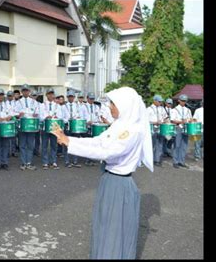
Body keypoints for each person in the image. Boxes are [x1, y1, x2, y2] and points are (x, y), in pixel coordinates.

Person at [52, 86, 153, 259]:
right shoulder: (119, 125)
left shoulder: (132, 130)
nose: (110, 108)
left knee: (114, 230)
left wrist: (70, 144)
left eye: (113, 104)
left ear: (125, 106)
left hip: (119, 184)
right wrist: (69, 140)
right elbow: (98, 142)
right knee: (105, 225)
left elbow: (107, 152)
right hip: (110, 180)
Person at [15, 84, 39, 170]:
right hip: (22, 125)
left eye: (27, 90)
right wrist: (18, 115)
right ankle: (23, 163)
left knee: (30, 145)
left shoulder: (34, 102)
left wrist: (36, 114)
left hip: (31, 125)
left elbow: (38, 112)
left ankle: (29, 162)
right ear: (21, 92)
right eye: (24, 90)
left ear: (29, 92)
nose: (25, 92)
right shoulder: (17, 102)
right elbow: (14, 113)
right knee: (22, 145)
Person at [39, 88, 65, 170]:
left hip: (55, 127)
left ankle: (53, 161)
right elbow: (40, 117)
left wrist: (56, 117)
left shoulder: (57, 105)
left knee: (54, 145)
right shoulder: (42, 105)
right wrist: (45, 117)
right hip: (45, 127)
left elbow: (61, 116)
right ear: (46, 95)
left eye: (52, 94)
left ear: (54, 95)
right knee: (44, 145)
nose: (50, 95)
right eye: (49, 94)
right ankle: (45, 162)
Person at [170, 94, 192, 169]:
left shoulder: (188, 110)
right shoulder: (174, 110)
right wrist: (181, 121)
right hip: (178, 128)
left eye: (185, 101)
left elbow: (190, 119)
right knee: (177, 145)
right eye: (182, 101)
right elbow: (172, 120)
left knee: (184, 146)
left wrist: (190, 121)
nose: (184, 102)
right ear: (179, 100)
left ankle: (181, 161)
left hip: (186, 128)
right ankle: (175, 162)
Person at [63, 91, 82, 168]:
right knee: (66, 144)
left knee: (75, 144)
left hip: (75, 126)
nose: (71, 98)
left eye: (72, 96)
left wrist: (77, 118)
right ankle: (67, 161)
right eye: (69, 96)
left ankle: (75, 161)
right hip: (67, 126)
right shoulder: (63, 106)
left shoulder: (78, 106)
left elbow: (80, 115)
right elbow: (62, 117)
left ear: (74, 97)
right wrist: (67, 120)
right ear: (67, 97)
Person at [147, 95, 166, 167]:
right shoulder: (149, 109)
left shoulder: (162, 109)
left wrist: (165, 121)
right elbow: (146, 120)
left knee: (160, 144)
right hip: (152, 128)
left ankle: (157, 160)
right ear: (154, 101)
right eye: (159, 101)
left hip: (160, 128)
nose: (160, 103)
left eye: (161, 101)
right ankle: (149, 160)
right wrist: (155, 122)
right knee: (152, 145)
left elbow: (165, 117)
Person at [84, 92, 101, 166]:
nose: (92, 100)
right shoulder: (83, 107)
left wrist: (98, 121)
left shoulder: (96, 107)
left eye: (93, 99)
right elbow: (81, 116)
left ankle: (92, 159)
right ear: (87, 98)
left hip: (94, 126)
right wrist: (87, 121)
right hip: (87, 126)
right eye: (90, 99)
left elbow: (98, 116)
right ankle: (87, 159)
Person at [5, 90, 17, 157]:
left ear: (13, 96)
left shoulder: (16, 103)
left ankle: (13, 151)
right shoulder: (4, 103)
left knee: (13, 137)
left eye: (11, 96)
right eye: (9, 96)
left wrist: (12, 116)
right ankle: (7, 152)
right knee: (7, 136)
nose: (10, 97)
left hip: (13, 120)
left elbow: (16, 111)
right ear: (7, 96)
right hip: (6, 121)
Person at [31, 91, 41, 157]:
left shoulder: (40, 104)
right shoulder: (29, 103)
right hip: (30, 123)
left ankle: (36, 150)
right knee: (31, 138)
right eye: (33, 95)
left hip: (37, 122)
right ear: (30, 96)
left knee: (37, 138)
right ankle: (31, 151)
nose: (34, 96)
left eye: (35, 95)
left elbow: (41, 113)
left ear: (37, 96)